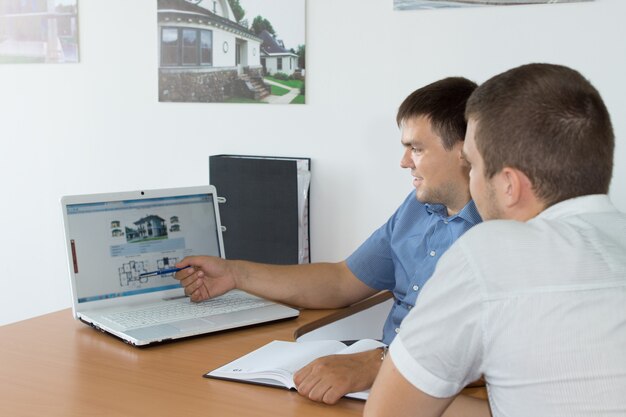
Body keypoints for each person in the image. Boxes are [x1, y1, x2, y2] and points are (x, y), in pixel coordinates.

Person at [175, 77, 482, 404]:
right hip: (386, 384)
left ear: (465, 151)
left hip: (445, 394)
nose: (404, 162)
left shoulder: (503, 233)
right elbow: (341, 281)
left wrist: (379, 363)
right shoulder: (417, 207)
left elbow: (495, 351)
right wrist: (235, 274)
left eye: (416, 149)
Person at [365, 63, 626, 417]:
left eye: (471, 165)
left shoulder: (490, 253)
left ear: (508, 185)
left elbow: (388, 413)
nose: (469, 176)